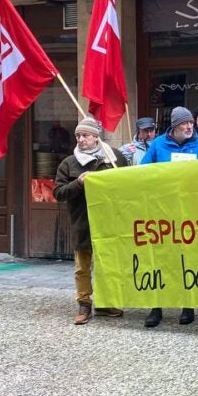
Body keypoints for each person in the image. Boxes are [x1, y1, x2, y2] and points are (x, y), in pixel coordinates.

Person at [139, 106, 198, 328]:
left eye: (191, 123)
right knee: (160, 258)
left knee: (187, 259)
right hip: (163, 211)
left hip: (190, 211)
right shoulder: (158, 144)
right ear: (174, 126)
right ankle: (156, 307)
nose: (190, 126)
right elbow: (142, 172)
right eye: (185, 124)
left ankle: (187, 305)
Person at [53, 117, 128, 325]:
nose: (80, 139)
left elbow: (128, 184)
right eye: (78, 135)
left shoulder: (115, 158)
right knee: (82, 267)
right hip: (82, 222)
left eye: (85, 135)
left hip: (109, 221)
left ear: (96, 137)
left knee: (107, 265)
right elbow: (58, 193)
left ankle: (104, 303)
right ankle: (84, 304)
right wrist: (78, 183)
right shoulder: (68, 164)